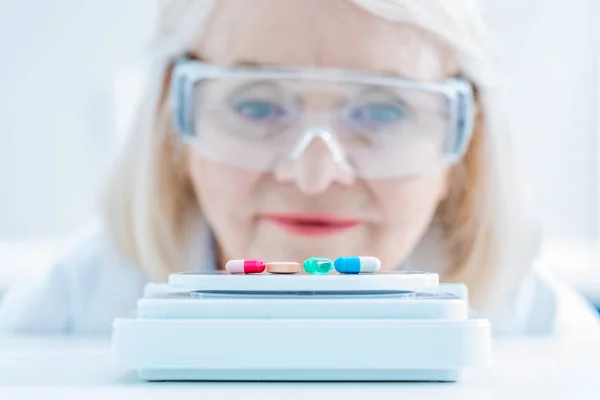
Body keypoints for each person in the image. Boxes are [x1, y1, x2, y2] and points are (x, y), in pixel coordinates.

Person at [1, 0, 598, 335]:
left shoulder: (532, 324)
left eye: (384, 110)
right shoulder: (74, 307)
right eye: (256, 104)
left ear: (466, 145)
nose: (314, 177)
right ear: (173, 127)